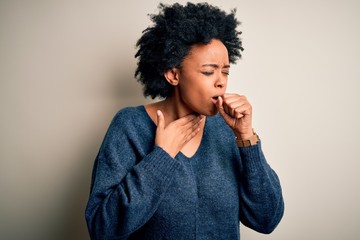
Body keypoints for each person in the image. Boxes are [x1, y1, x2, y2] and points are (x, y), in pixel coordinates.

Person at [85, 2, 284, 239]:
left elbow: (266, 219)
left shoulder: (226, 130)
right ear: (173, 74)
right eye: (209, 71)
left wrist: (246, 139)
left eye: (226, 71)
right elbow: (101, 228)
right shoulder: (130, 126)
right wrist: (161, 158)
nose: (221, 81)